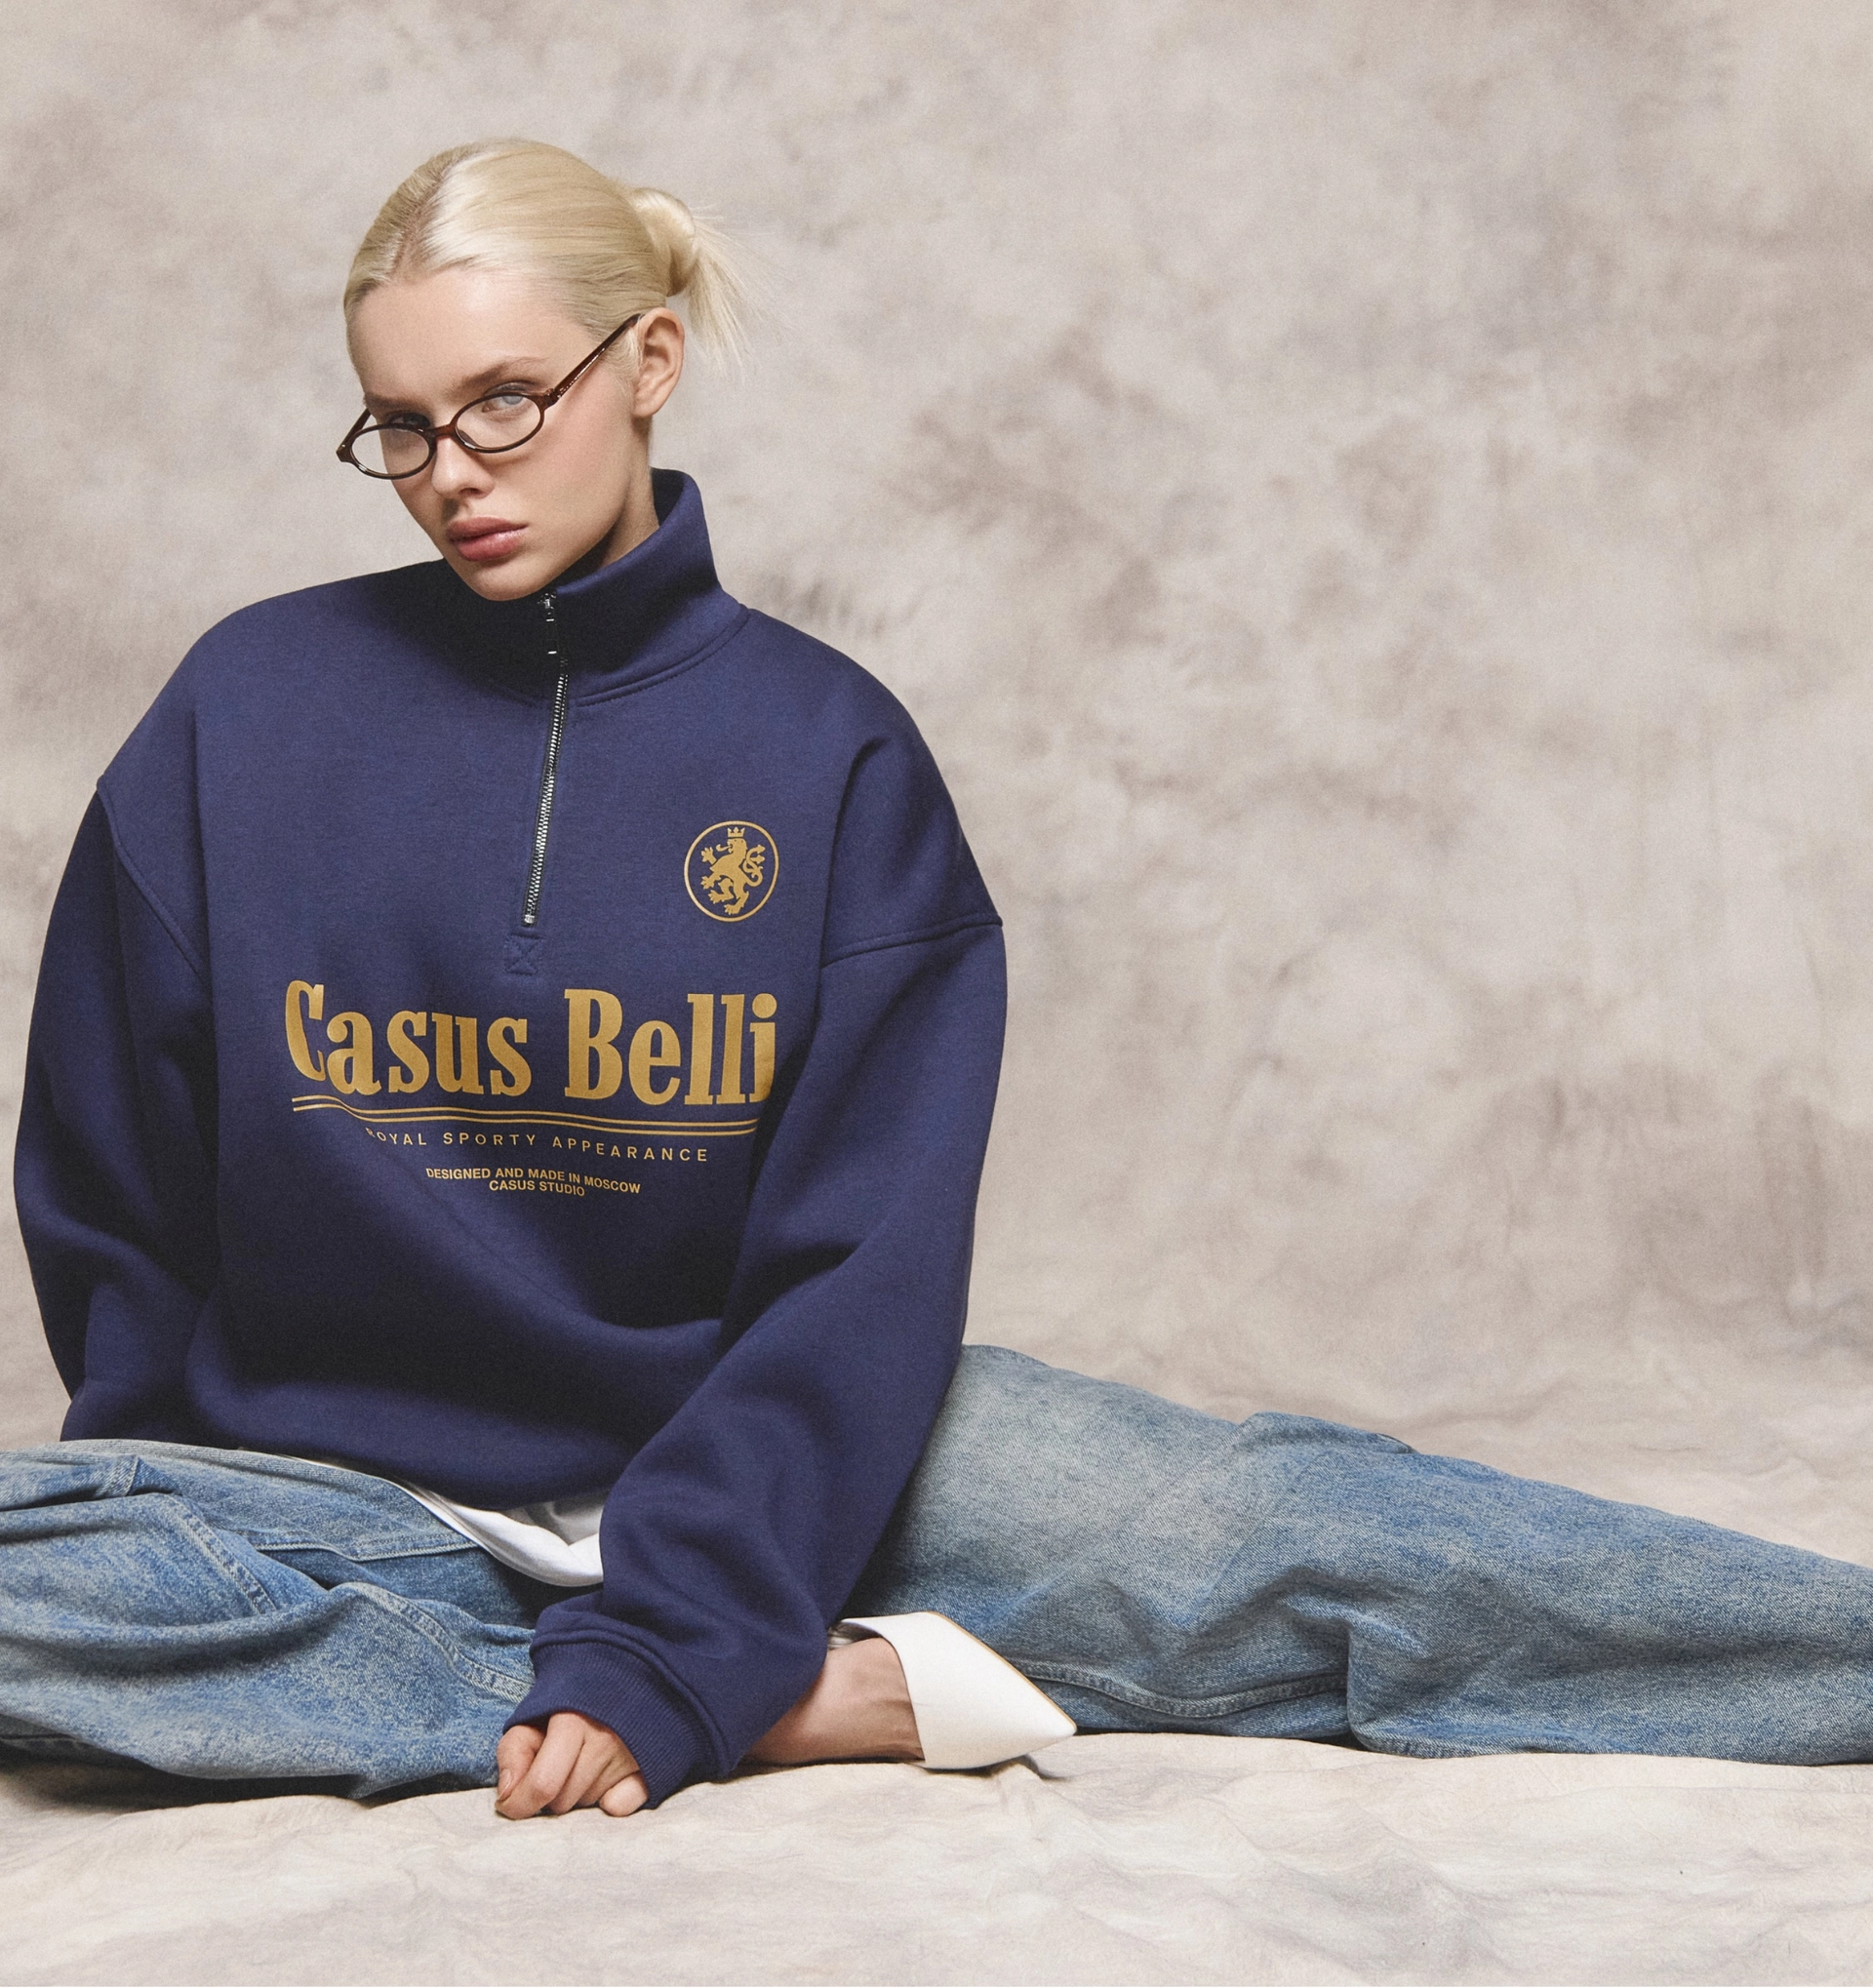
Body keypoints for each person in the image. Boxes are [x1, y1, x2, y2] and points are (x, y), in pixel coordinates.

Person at [11, 139, 1873, 1824]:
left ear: (649, 361)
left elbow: (859, 1269)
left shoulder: (830, 753)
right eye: (401, 427)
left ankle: (688, 1658)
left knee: (1313, 1527)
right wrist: (170, 1506)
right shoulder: (244, 712)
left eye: (506, 400)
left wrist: (692, 1595)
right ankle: (792, 1696)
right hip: (337, 1496)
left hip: (785, 1464)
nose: (453, 476)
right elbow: (111, 1197)